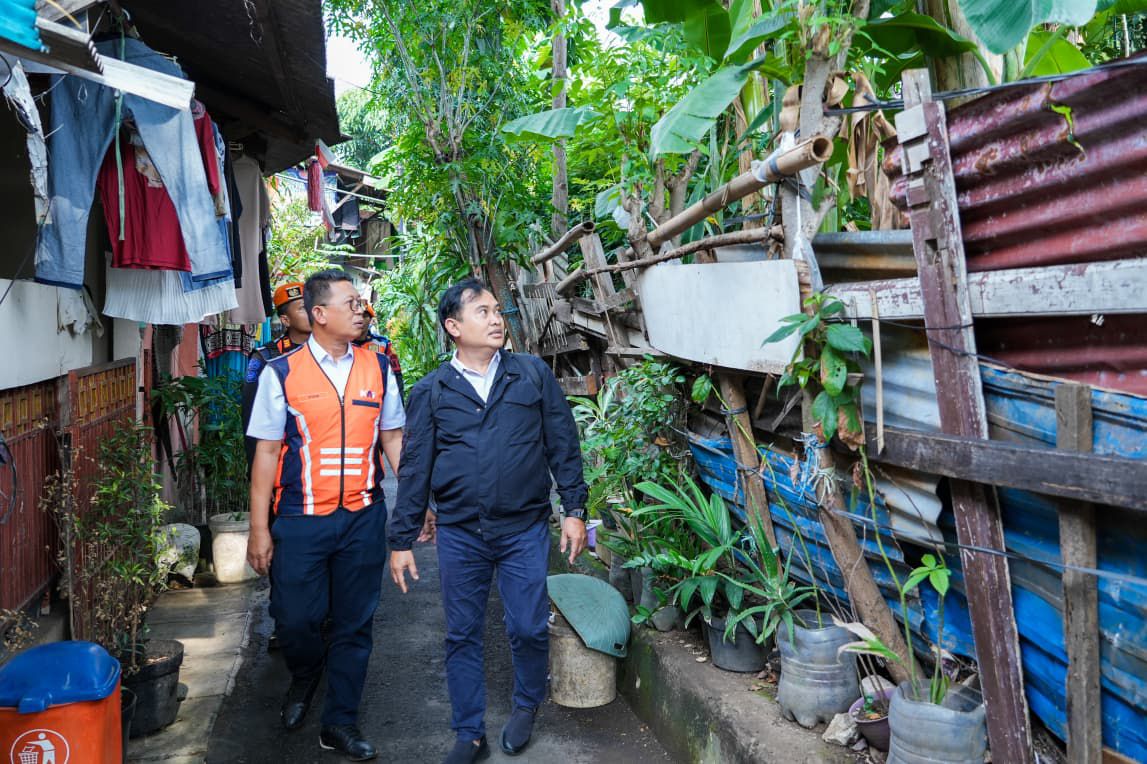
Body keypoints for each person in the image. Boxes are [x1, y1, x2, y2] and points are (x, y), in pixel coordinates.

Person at [389, 278, 588, 764]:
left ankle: (525, 706)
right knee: (461, 633)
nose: (497, 319)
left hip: (523, 530)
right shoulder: (432, 391)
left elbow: (563, 444)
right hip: (462, 535)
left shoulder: (531, 374)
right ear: (454, 327)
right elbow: (414, 470)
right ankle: (469, 732)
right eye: (483, 312)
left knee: (527, 628)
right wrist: (401, 539)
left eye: (498, 311)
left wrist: (575, 510)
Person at [246, 269, 404, 761]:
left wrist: (420, 505)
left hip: (363, 516)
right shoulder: (281, 372)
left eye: (361, 302)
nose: (361, 309)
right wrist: (258, 531)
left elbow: (394, 439)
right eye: (350, 302)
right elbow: (267, 453)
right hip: (299, 518)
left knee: (355, 625)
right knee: (297, 621)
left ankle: (339, 722)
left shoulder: (378, 368)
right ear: (320, 315)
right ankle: (306, 673)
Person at [241, 281, 312, 473]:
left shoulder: (331, 354)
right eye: (303, 308)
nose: (312, 312)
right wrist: (258, 472)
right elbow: (251, 419)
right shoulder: (266, 357)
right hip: (283, 462)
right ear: (285, 320)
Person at [354, 302, 405, 402]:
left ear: (370, 320)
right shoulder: (342, 344)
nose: (360, 319)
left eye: (365, 316)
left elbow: (396, 374)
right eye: (357, 315)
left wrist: (399, 402)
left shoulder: (383, 344)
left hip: (377, 396)